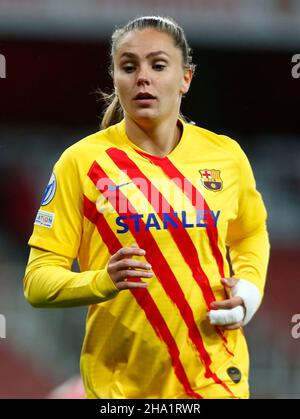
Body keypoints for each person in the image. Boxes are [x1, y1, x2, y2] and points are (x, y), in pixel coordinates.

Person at [24, 16, 270, 399]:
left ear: (185, 78)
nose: (143, 77)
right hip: (118, 387)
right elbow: (37, 283)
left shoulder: (226, 156)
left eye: (158, 65)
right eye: (129, 66)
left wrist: (250, 289)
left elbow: (251, 232)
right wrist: (102, 281)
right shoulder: (81, 163)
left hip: (214, 376)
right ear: (115, 78)